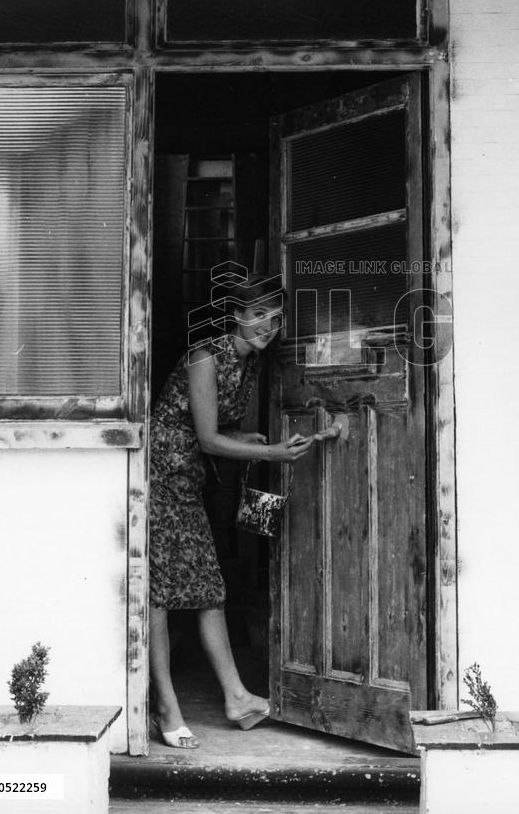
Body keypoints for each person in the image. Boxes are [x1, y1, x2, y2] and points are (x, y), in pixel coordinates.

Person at [148, 274, 313, 748]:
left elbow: (209, 426)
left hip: (187, 480)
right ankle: (167, 706)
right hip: (161, 480)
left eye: (275, 316)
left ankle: (236, 697)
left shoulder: (249, 361)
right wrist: (271, 454)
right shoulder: (206, 356)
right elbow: (204, 438)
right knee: (160, 594)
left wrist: (245, 440)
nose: (268, 324)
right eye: (258, 313)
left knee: (206, 587)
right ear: (236, 316)